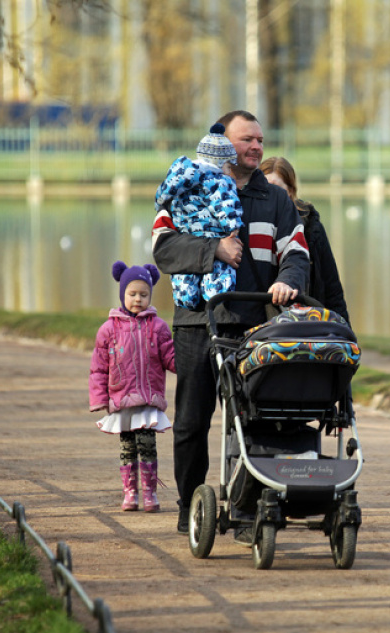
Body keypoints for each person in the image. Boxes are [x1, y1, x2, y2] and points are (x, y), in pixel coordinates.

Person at [152, 110, 309, 537]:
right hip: (195, 323)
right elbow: (163, 250)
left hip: (252, 325)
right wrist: (213, 251)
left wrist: (287, 281)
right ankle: (189, 506)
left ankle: (248, 510)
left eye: (261, 139)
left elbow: (296, 252)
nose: (257, 146)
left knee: (252, 420)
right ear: (223, 142)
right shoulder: (186, 190)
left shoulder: (275, 199)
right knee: (190, 423)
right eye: (247, 140)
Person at [89, 261, 177, 513]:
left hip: (148, 399)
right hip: (122, 398)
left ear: (150, 295)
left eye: (143, 294)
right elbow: (98, 367)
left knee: (147, 445)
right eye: (132, 294)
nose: (137, 299)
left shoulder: (158, 327)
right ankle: (130, 493)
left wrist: (186, 364)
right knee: (128, 447)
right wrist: (99, 398)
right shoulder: (108, 330)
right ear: (122, 294)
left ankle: (149, 492)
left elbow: (169, 356)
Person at [154, 123, 244, 308]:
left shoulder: (179, 177)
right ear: (221, 162)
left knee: (184, 274)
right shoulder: (219, 180)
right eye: (228, 166)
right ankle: (216, 296)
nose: (230, 172)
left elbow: (161, 196)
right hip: (212, 234)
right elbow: (225, 205)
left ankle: (185, 297)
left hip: (186, 236)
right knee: (219, 280)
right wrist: (234, 226)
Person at [259, 156, 350, 324]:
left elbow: (331, 287)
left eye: (277, 189)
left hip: (305, 321)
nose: (272, 197)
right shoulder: (249, 224)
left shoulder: (311, 229)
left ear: (291, 191)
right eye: (266, 189)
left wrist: (346, 333)